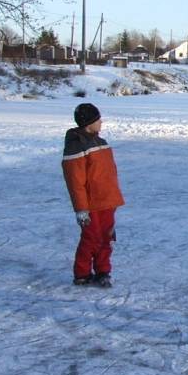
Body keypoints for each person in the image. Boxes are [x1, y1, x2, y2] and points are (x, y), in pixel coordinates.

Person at [62, 103, 124, 287]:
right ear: (89, 124)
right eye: (98, 120)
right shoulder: (76, 148)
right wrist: (81, 208)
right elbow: (76, 182)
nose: (101, 122)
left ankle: (103, 270)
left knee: (107, 237)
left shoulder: (101, 143)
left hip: (107, 201)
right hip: (91, 204)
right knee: (91, 239)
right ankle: (82, 273)